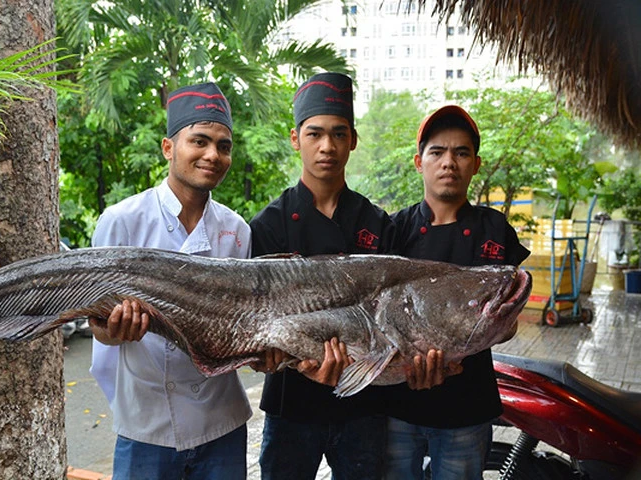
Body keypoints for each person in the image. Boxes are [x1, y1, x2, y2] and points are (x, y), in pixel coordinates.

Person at [250, 72, 448, 480]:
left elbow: (399, 314)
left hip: (365, 410)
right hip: (292, 407)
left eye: (339, 134)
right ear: (295, 138)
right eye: (315, 134)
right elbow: (260, 319)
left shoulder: (378, 223)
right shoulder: (268, 224)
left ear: (353, 141)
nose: (327, 146)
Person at [88, 82, 252, 480]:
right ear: (168, 147)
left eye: (224, 146)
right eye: (199, 141)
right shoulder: (122, 221)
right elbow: (96, 323)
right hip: (146, 426)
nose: (213, 155)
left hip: (222, 425)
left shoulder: (237, 231)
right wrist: (115, 330)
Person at [385, 105, 531, 480]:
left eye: (461, 152)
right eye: (437, 152)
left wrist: (495, 325)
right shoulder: (394, 230)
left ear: (476, 164)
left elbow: (513, 317)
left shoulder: (494, 227)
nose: (449, 162)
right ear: (419, 162)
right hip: (396, 405)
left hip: (467, 406)